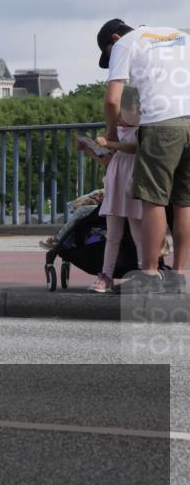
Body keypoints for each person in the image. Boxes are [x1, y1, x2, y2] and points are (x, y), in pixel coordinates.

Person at [97, 18, 189, 293]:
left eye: (107, 55)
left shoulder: (126, 43)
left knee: (153, 199)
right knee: (184, 202)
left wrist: (111, 133)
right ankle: (179, 275)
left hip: (161, 124)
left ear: (114, 38)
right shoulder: (179, 35)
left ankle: (149, 274)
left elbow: (112, 100)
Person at [89, 86, 143, 293]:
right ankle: (106, 274)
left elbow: (134, 148)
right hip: (117, 180)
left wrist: (111, 142)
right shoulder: (119, 131)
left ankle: (142, 270)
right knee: (113, 233)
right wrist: (93, 149)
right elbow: (110, 158)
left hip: (132, 181)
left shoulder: (140, 130)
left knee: (138, 232)